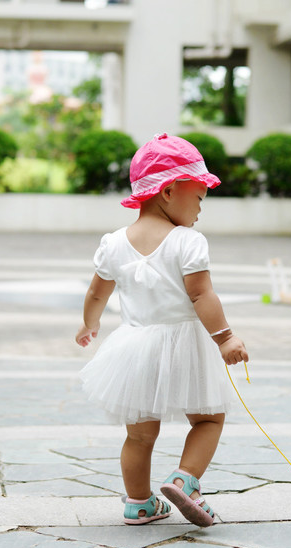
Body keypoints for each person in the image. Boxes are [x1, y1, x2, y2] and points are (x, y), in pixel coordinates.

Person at [75, 133, 248, 527]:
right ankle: (184, 481)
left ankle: (139, 503)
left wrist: (90, 324)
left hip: (134, 348)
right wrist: (225, 338)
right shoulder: (188, 241)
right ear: (169, 191)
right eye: (199, 198)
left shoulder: (114, 243)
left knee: (138, 436)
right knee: (207, 420)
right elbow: (201, 295)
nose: (201, 210)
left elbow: (96, 292)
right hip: (186, 345)